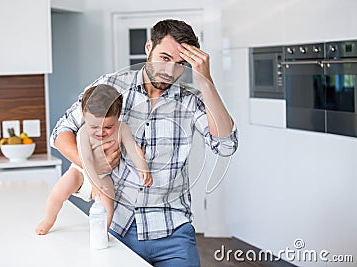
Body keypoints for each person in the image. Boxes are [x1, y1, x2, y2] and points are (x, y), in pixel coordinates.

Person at [50, 19, 238, 266]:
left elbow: (225, 145)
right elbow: (60, 133)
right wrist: (91, 167)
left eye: (181, 64)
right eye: (165, 57)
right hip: (117, 227)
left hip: (174, 232)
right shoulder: (112, 85)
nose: (170, 71)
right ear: (148, 46)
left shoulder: (191, 101)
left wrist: (206, 80)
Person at [36, 84, 153, 235]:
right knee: (58, 192)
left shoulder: (121, 128)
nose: (101, 132)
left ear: (118, 116)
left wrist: (142, 166)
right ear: (84, 116)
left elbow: (132, 148)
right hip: (79, 171)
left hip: (103, 176)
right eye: (94, 127)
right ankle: (48, 220)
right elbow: (86, 161)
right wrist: (93, 183)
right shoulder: (83, 133)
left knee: (108, 204)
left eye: (108, 127)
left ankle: (102, 233)